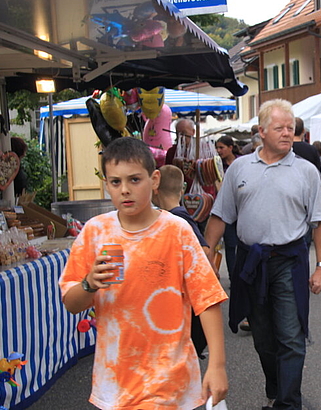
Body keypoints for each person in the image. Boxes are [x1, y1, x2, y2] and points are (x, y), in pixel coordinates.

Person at [59, 137, 228, 409]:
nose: (125, 190)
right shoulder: (95, 232)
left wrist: (217, 365)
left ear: (155, 179)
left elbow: (207, 299)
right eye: (115, 182)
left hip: (172, 380)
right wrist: (89, 283)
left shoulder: (177, 231)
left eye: (135, 180)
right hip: (116, 382)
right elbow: (71, 303)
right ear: (106, 184)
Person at [204, 99, 321, 410]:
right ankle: (276, 388)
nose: (288, 133)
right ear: (261, 132)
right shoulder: (239, 168)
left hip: (290, 261)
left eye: (291, 128)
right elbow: (221, 215)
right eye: (280, 128)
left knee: (291, 334)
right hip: (251, 263)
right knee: (262, 337)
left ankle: (288, 403)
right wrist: (207, 253)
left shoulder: (306, 171)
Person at [152, 164, 211, 359]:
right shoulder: (176, 216)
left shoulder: (177, 219)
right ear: (182, 189)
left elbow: (202, 251)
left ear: (154, 187)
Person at [216, 135, 241, 277]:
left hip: (242, 208)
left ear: (230, 148)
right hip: (227, 208)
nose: (219, 151)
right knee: (230, 245)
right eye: (217, 148)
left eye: (222, 147)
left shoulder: (241, 162)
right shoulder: (217, 165)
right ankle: (233, 276)